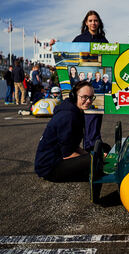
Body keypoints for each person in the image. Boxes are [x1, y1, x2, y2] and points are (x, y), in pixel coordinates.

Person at [34, 81, 95, 182]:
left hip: (58, 159)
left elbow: (73, 146)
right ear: (74, 96)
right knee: (94, 162)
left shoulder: (76, 111)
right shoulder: (68, 116)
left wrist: (90, 155)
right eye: (84, 97)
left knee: (96, 156)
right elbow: (67, 154)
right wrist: (92, 159)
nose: (88, 101)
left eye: (91, 97)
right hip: (49, 167)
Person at [72, 10, 108, 152]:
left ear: (99, 23)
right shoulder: (79, 39)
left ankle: (92, 148)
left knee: (94, 118)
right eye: (91, 20)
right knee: (78, 119)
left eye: (96, 20)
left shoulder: (103, 41)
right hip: (81, 88)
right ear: (86, 23)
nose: (93, 23)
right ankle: (76, 149)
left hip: (96, 90)